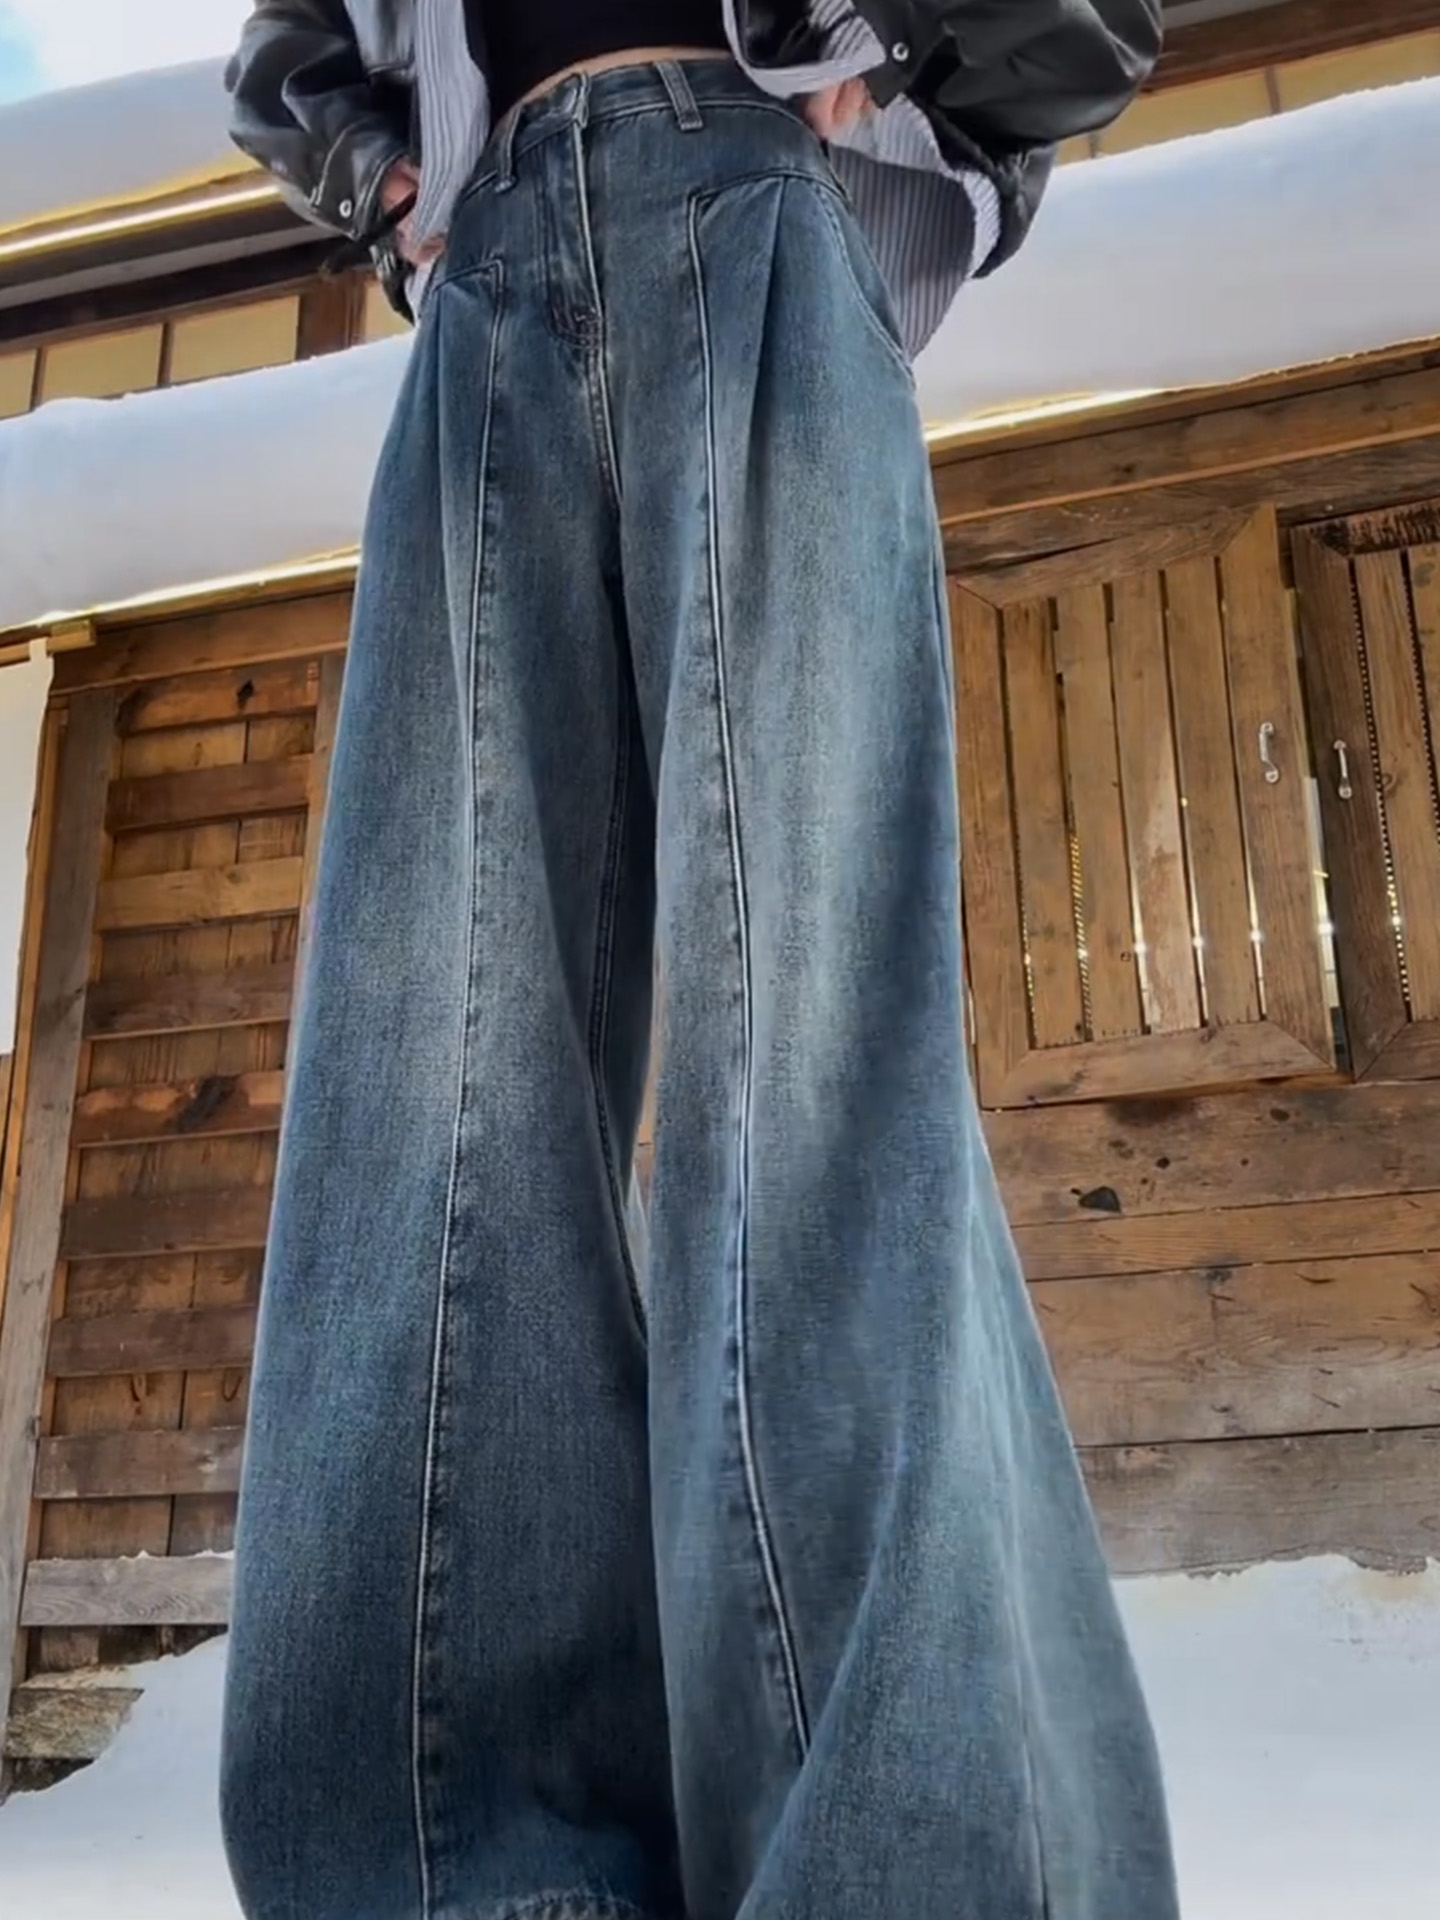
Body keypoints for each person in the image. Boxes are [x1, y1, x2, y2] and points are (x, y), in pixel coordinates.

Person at [220, 4, 1178, 1918]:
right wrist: (385, 179)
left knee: (810, 1056)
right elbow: (294, 46)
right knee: (430, 1080)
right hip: (488, 277)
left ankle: (896, 1876)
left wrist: (905, 56)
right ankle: (477, 1881)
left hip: (769, 202)